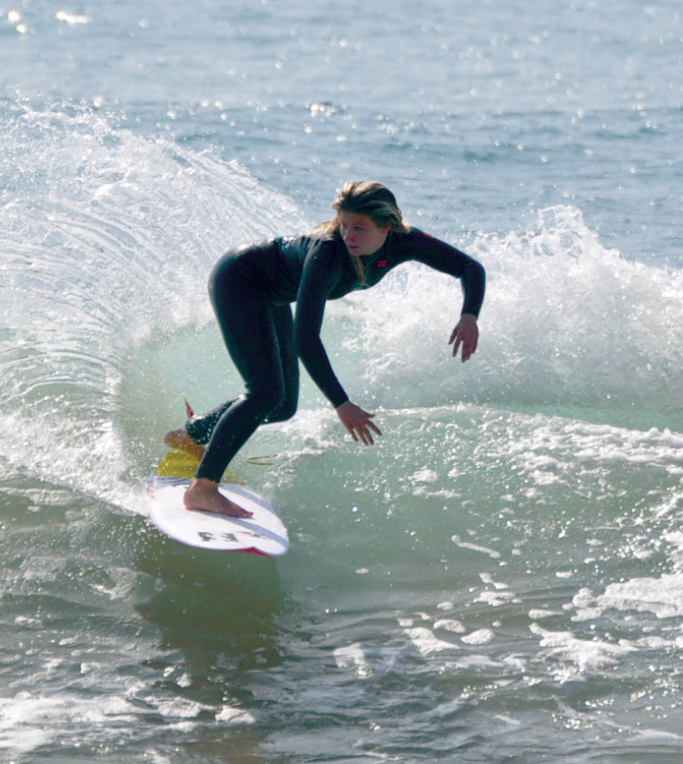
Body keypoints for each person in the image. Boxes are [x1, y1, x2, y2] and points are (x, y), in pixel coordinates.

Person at [168, 180, 485, 518]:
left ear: (387, 227)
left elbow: (470, 268)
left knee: (282, 406)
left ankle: (192, 433)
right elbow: (306, 337)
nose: (348, 235)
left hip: (270, 295)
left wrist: (469, 316)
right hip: (239, 280)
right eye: (344, 225)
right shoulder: (327, 254)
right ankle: (202, 488)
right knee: (265, 393)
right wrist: (341, 403)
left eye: (359, 229)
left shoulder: (405, 242)